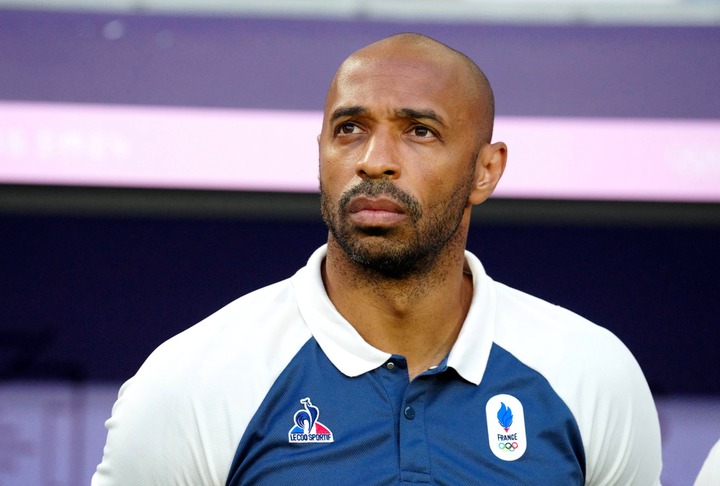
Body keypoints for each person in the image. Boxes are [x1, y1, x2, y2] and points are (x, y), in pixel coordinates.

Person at [93, 33, 662, 484]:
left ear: (486, 170)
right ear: (320, 152)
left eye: (419, 131)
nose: (374, 160)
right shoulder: (191, 383)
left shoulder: (591, 374)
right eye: (350, 128)